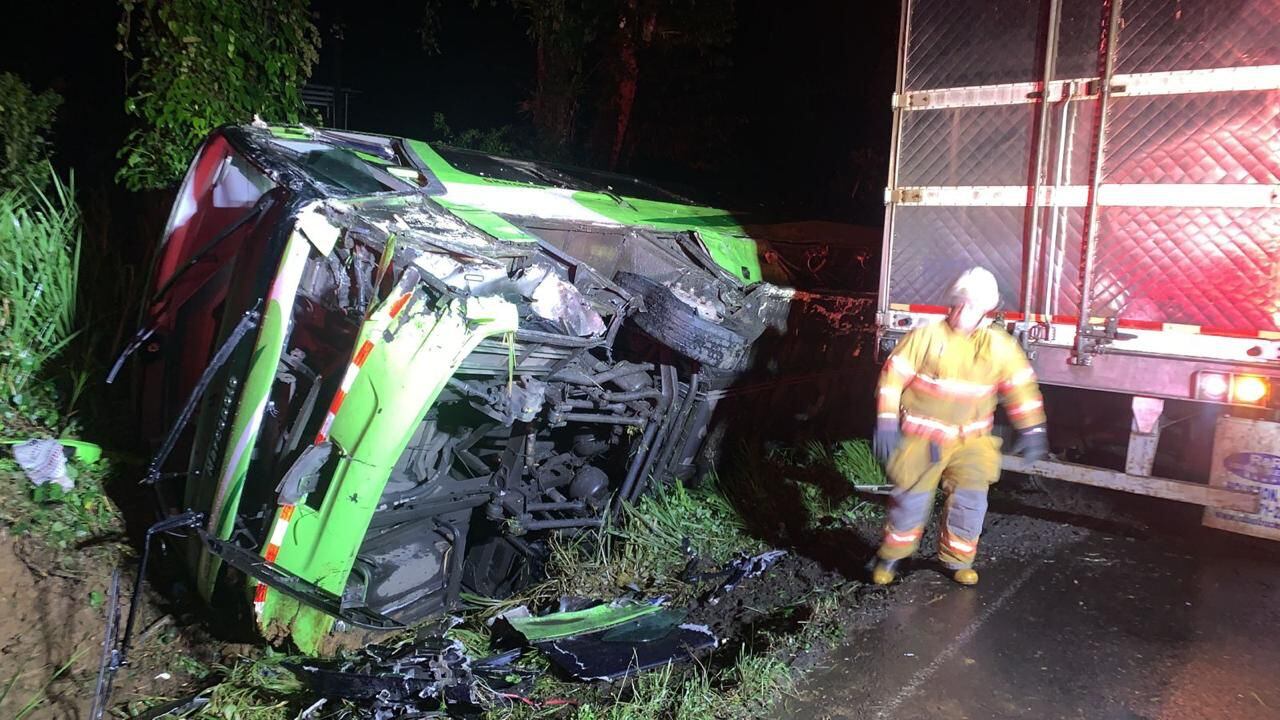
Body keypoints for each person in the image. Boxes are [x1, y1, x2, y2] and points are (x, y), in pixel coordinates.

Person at [871, 267, 1049, 586]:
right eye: (960, 303)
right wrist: (885, 420)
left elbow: (1021, 388)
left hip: (972, 442)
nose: (964, 311)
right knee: (910, 500)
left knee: (970, 501)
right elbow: (892, 377)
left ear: (986, 309)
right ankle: (892, 556)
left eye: (973, 304)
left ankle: (957, 560)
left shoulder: (1000, 346)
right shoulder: (926, 337)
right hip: (922, 439)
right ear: (952, 303)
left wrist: (1033, 428)